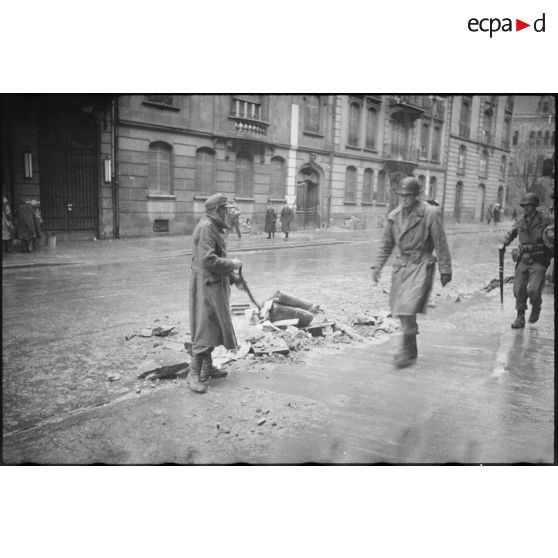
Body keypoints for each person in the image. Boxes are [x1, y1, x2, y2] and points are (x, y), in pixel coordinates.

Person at [371, 177, 452, 368]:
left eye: (409, 195)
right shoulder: (394, 216)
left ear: (416, 195)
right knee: (401, 309)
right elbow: (386, 244)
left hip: (421, 264)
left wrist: (445, 269)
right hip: (402, 266)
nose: (405, 199)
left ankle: (405, 350)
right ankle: (411, 348)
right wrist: (377, 266)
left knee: (407, 306)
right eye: (402, 195)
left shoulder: (429, 214)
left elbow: (440, 242)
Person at [189, 193, 242, 394]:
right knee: (206, 327)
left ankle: (207, 368)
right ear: (217, 210)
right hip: (207, 287)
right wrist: (232, 264)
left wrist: (233, 276)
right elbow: (207, 260)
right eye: (225, 209)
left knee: (213, 325)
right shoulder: (206, 228)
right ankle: (193, 374)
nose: (228, 213)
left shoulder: (212, 226)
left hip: (214, 285)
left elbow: (214, 258)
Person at [497, 193, 554, 329]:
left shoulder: (545, 219)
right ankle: (520, 317)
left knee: (533, 290)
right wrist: (503, 243)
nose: (527, 209)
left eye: (530, 206)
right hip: (523, 259)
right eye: (525, 206)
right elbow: (511, 233)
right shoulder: (521, 219)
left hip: (539, 259)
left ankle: (536, 305)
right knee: (518, 290)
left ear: (535, 206)